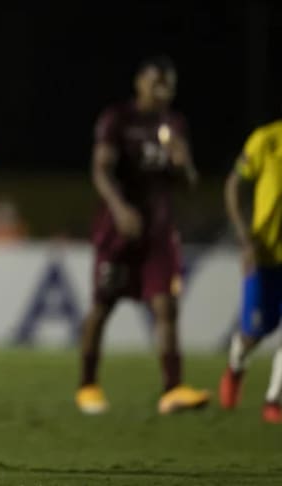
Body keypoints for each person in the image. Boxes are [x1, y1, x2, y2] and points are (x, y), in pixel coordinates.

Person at [75, 55, 210, 415]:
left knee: (167, 306)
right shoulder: (118, 119)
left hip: (159, 232)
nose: (163, 90)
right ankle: (88, 385)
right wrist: (119, 209)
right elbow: (100, 170)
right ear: (139, 83)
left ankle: (173, 388)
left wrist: (184, 164)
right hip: (118, 229)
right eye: (157, 82)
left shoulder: (175, 124)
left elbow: (189, 184)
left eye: (169, 85)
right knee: (103, 306)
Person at [218, 116, 282, 424]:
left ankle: (274, 400)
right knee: (255, 332)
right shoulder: (267, 140)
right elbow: (234, 184)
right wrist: (244, 237)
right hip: (265, 256)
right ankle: (236, 365)